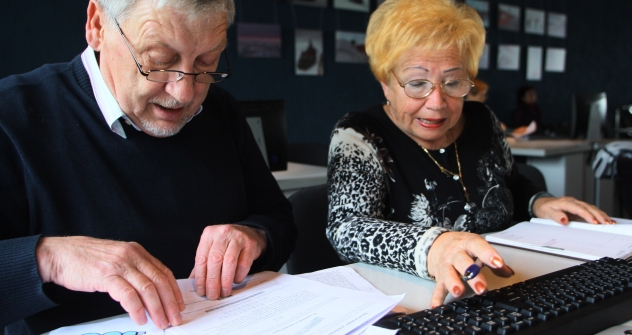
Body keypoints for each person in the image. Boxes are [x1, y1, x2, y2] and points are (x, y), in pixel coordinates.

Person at [0, 0, 296, 334]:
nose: (184, 92)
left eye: (206, 62)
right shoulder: (12, 117)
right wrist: (48, 259)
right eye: (159, 61)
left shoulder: (221, 112)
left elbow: (280, 220)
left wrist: (254, 235)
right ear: (97, 26)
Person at [327, 0, 612, 309]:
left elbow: (510, 182)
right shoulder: (359, 134)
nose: (437, 102)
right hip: (422, 301)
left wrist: (538, 201)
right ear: (386, 83)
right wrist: (432, 248)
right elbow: (347, 228)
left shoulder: (481, 119)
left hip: (510, 288)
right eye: (417, 83)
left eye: (453, 82)